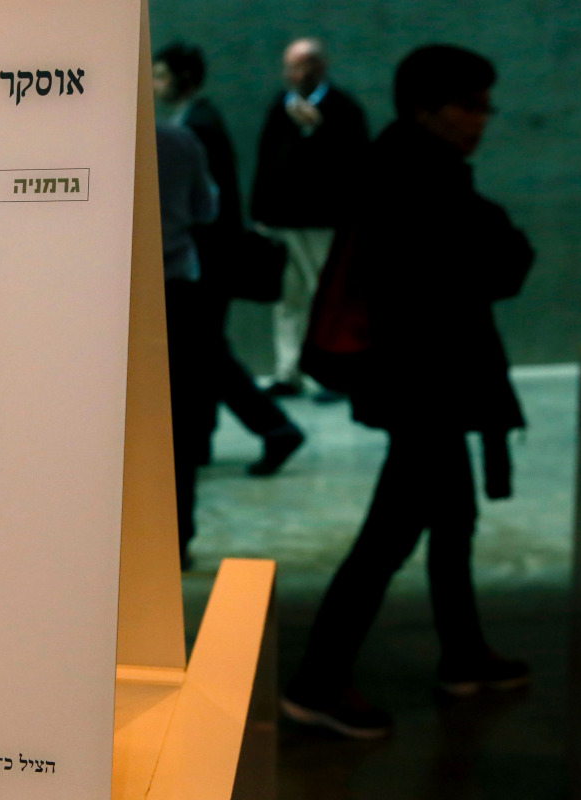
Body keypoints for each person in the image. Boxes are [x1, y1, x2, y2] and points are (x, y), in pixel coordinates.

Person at [281, 45, 535, 739]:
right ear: (426, 109)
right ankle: (317, 683)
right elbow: (501, 262)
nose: (482, 118)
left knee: (452, 519)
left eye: (485, 104)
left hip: (425, 384)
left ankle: (463, 654)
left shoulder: (406, 165)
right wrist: (498, 240)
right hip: (425, 385)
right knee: (390, 537)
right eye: (470, 105)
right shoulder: (418, 176)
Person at [153, 41, 305, 478]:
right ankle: (206, 439)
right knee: (204, 354)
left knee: (207, 355)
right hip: (205, 261)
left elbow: (206, 208)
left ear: (183, 78)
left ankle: (274, 429)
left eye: (161, 75)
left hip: (204, 263)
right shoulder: (195, 123)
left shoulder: (197, 127)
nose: (156, 84)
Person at [250, 37, 368, 397]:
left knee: (326, 297)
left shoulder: (343, 108)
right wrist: (259, 211)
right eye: (291, 66)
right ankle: (288, 371)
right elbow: (265, 159)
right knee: (288, 298)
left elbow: (357, 162)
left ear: (321, 67)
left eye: (304, 66)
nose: (296, 74)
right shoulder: (280, 107)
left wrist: (318, 128)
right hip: (283, 220)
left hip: (325, 221)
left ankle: (329, 374)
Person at [154, 119, 218, 569]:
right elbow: (206, 208)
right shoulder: (179, 140)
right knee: (178, 421)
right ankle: (176, 537)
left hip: (106, 291)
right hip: (175, 286)